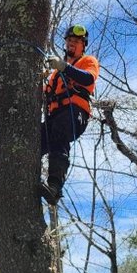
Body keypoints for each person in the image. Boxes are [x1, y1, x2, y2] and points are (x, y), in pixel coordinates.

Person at [39, 23, 99, 204]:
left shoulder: (87, 62)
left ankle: (54, 186)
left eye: (76, 41)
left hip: (74, 112)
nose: (72, 44)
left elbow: (88, 78)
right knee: (35, 140)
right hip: (54, 114)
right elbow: (45, 93)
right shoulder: (56, 73)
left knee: (59, 134)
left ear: (83, 45)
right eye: (69, 41)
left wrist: (64, 66)